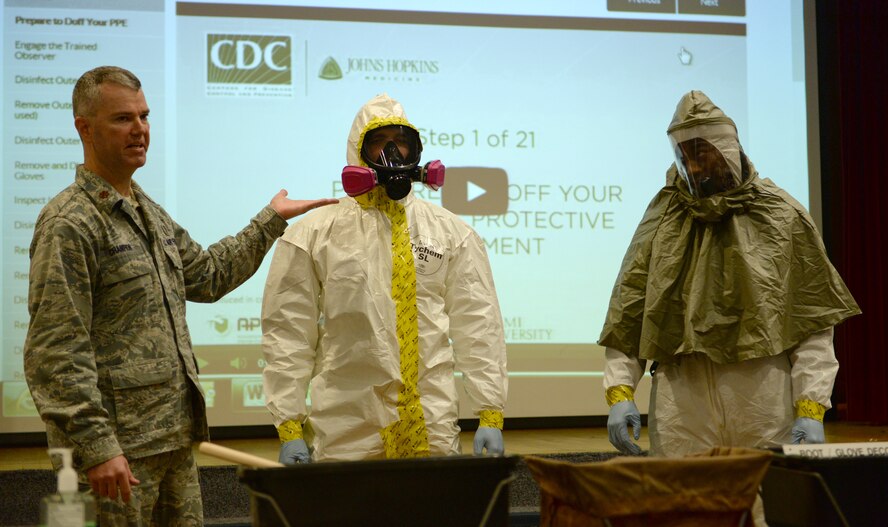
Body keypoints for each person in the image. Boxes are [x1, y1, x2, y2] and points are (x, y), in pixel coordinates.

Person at [23, 65, 337, 526]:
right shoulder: (70, 222)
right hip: (117, 461)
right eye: (122, 119)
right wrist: (96, 448)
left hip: (174, 445)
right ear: (84, 129)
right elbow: (54, 353)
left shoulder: (146, 211)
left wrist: (270, 220)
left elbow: (208, 276)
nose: (140, 130)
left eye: (145, 116)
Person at [599, 90, 860, 458]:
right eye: (684, 155)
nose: (692, 167)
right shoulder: (663, 216)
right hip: (682, 395)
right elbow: (632, 308)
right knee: (684, 505)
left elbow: (811, 318)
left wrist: (811, 405)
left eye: (701, 153)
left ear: (726, 148)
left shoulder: (780, 214)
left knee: (759, 504)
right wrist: (620, 391)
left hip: (760, 393)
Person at [262, 93, 508, 463]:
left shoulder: (450, 233)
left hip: (432, 425)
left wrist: (490, 412)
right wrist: (289, 426)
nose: (393, 153)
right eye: (379, 142)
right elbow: (288, 333)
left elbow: (479, 325)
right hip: (347, 431)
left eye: (402, 143)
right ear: (357, 151)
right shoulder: (313, 235)